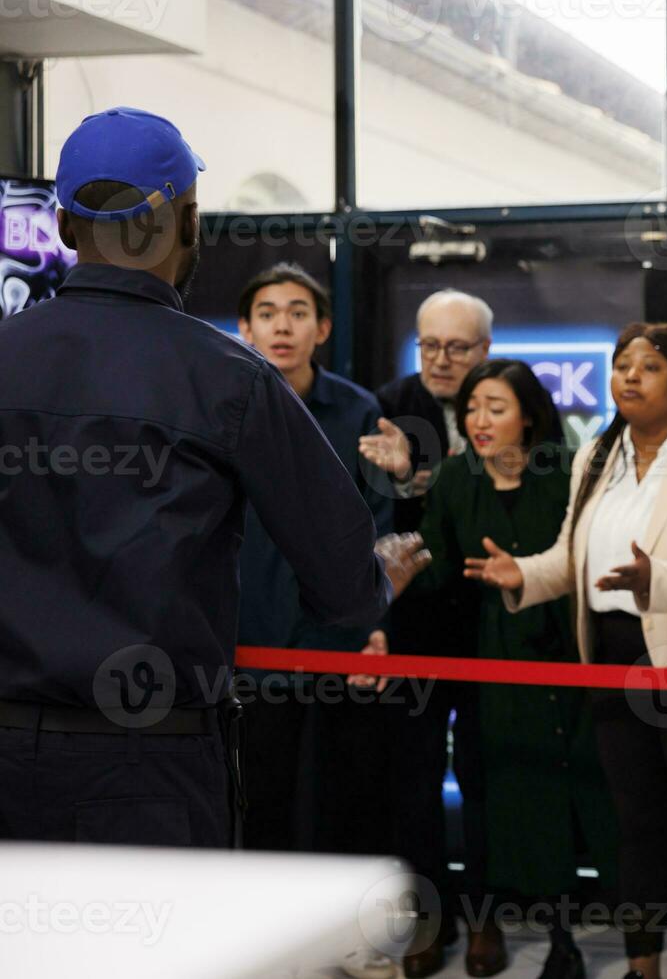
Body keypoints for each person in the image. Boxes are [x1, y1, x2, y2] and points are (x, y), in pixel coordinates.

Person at [0, 106, 426, 850]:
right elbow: (341, 584)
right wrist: (379, 580)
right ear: (188, 224)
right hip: (148, 768)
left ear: (64, 228)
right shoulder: (231, 380)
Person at [468, 323, 667, 979]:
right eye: (621, 365)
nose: (628, 377)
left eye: (647, 367)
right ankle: (642, 964)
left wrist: (663, 580)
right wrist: (525, 576)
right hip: (615, 657)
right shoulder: (595, 454)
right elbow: (573, 556)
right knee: (636, 823)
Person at [407, 359, 618, 979]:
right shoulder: (452, 478)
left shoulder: (564, 474)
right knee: (485, 794)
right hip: (483, 660)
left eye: (495, 408)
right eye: (471, 409)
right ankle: (484, 923)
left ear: (527, 415)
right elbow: (437, 565)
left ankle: (571, 935)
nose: (479, 421)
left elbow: (581, 559)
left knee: (567, 796)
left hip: (563, 658)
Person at [233, 262, 399, 979]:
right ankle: (268, 939)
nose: (281, 325)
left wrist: (373, 615)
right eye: (266, 312)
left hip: (338, 636)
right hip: (249, 637)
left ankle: (348, 940)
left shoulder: (357, 411)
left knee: (344, 793)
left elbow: (379, 521)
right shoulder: (226, 400)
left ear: (323, 328)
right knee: (260, 796)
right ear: (245, 328)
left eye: (298, 312)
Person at [360, 288, 493, 978]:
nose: (442, 360)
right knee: (412, 783)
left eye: (458, 347)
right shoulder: (383, 402)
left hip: (489, 630)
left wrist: (423, 477)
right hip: (407, 629)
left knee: (485, 778)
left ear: (485, 351)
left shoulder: (509, 403)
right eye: (430, 345)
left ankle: (485, 922)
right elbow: (365, 516)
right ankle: (424, 923)